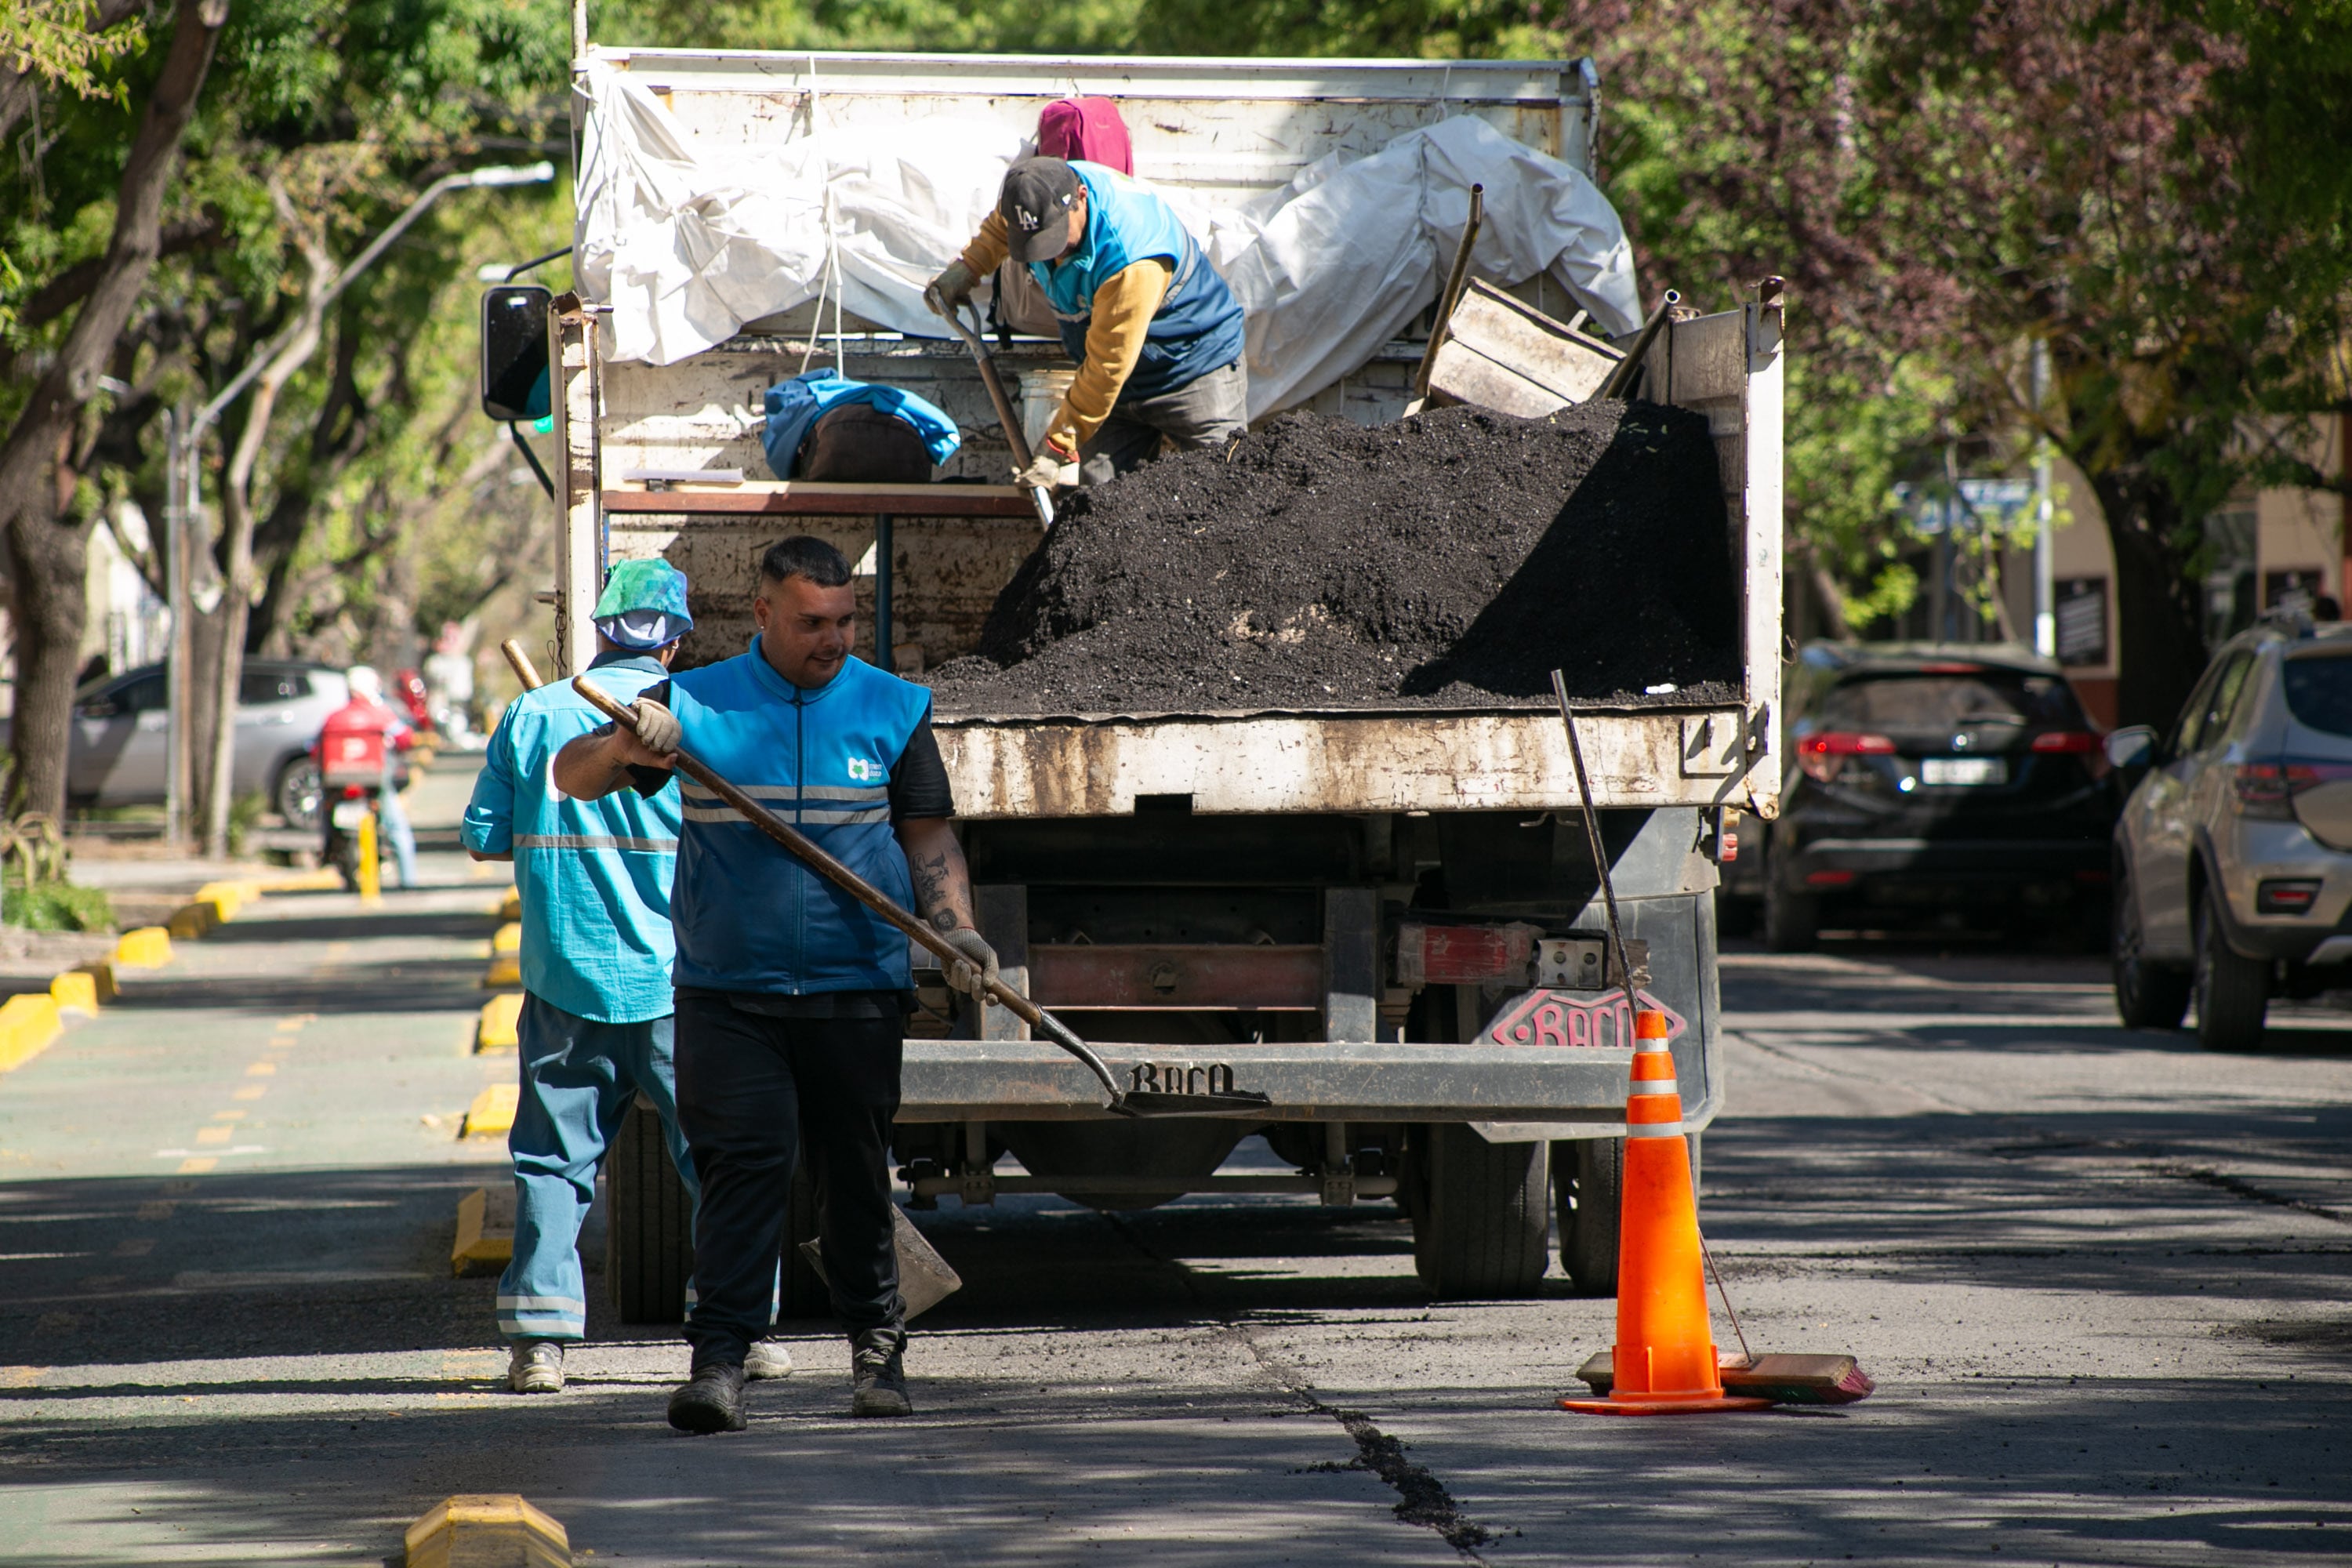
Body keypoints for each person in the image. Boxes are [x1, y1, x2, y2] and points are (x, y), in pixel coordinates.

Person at [554, 536, 998, 1432]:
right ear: (762, 615)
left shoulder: (894, 706)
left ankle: (879, 1352)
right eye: (810, 623)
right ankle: (719, 1362)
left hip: (857, 987)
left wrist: (955, 931)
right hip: (729, 993)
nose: (831, 639)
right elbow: (574, 776)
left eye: (841, 621)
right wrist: (632, 738)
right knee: (741, 1174)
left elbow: (927, 836)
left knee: (857, 1178)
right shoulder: (696, 701)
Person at [463, 561, 793, 1395]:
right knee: (719, 1159)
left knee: (553, 1161)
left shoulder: (533, 714)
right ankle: (745, 1331)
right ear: (676, 641)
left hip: (565, 974)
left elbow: (483, 836)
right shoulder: (705, 718)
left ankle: (539, 1345)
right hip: (686, 982)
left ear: (601, 630)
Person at [926, 154, 1247, 489]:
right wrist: (967, 269)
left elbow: (1108, 366)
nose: (1051, 256)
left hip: (1194, 369)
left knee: (1222, 498)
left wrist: (1057, 446)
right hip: (1116, 393)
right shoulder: (1034, 197)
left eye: (1055, 239)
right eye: (1035, 245)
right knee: (1099, 514)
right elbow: (1000, 229)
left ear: (1080, 198)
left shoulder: (1131, 257)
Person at [316, 666, 418, 888]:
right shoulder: (380, 713)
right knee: (397, 827)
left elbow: (316, 750)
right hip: (375, 781)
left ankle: (325, 853)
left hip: (338, 781)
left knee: (325, 812)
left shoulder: (334, 717)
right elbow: (404, 737)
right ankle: (409, 881)